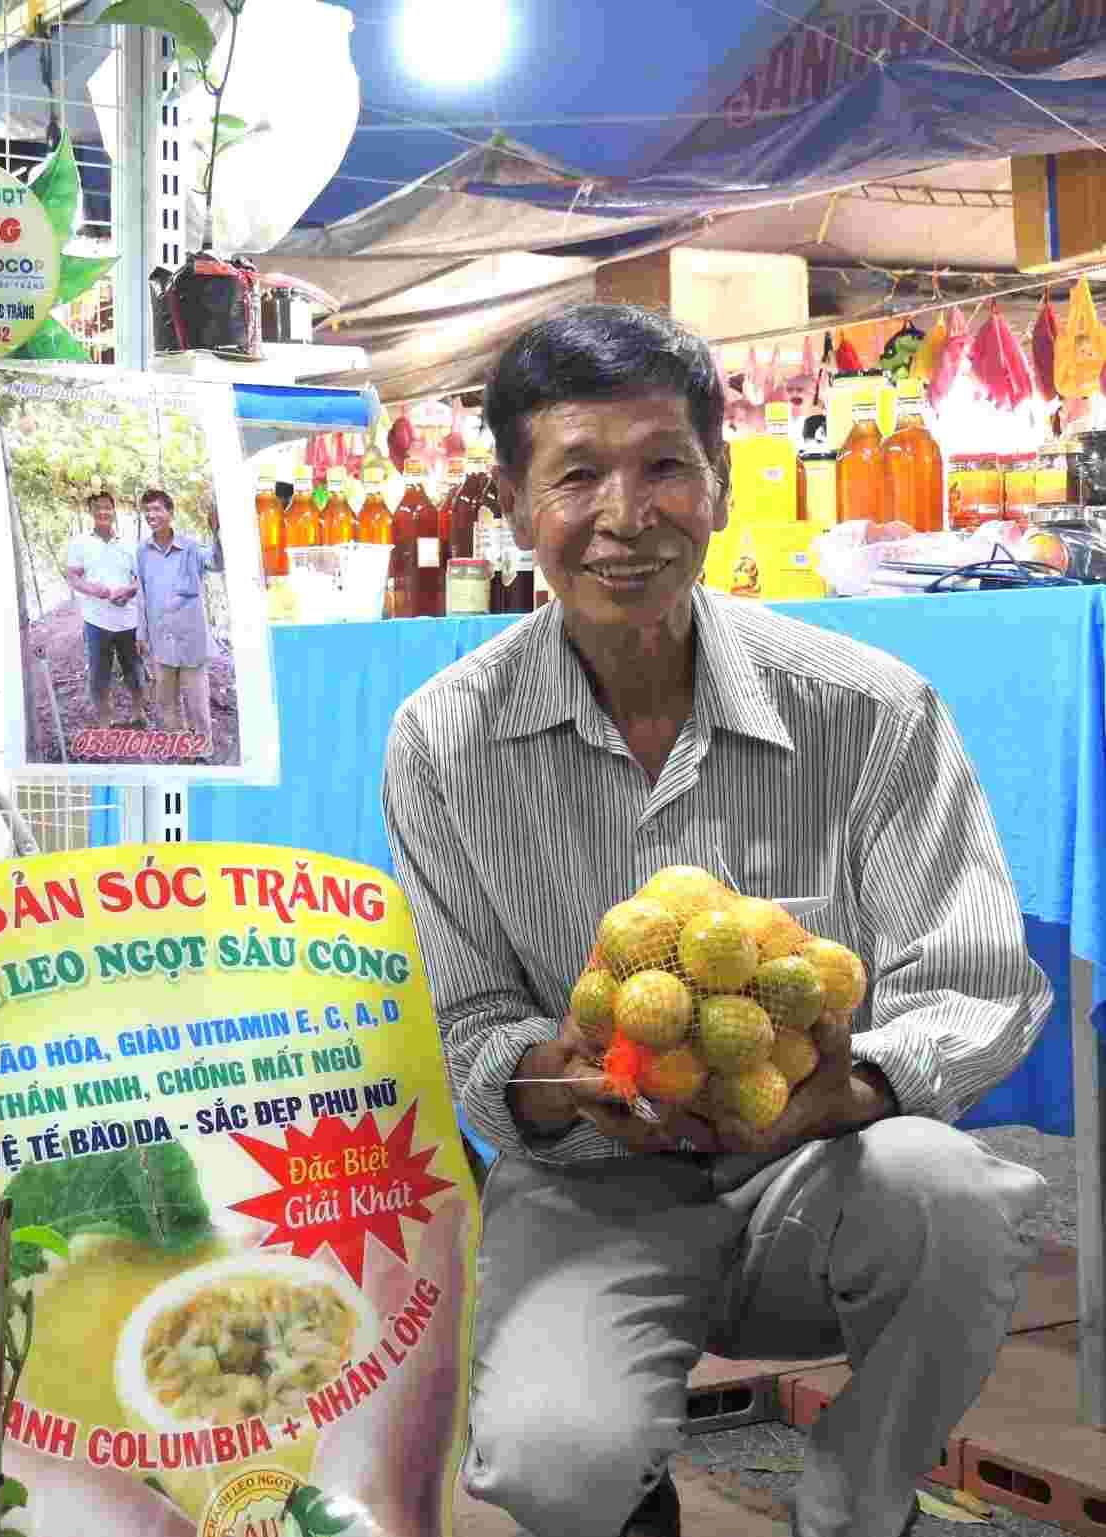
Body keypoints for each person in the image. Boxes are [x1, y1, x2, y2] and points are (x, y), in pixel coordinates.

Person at [380, 303, 1050, 1537]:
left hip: (819, 1166)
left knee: (952, 1190)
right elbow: (465, 1019)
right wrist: (557, 1073)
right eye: (577, 473)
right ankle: (625, 1490)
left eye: (662, 466)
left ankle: (858, 1505)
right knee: (548, 1461)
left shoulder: (869, 709)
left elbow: (973, 981)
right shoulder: (444, 739)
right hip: (588, 1188)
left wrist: (846, 1093)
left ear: (721, 484)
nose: (626, 515)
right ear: (512, 504)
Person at [134, 488, 221, 752]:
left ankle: (203, 748)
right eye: (147, 510)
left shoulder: (191, 548)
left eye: (157, 509)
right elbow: (142, 595)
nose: (152, 515)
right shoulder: (142, 552)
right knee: (166, 702)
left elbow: (217, 563)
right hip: (161, 641)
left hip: (191, 639)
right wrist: (141, 634)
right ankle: (180, 746)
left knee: (197, 702)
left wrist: (218, 533)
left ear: (170, 513)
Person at [63, 490, 147, 726]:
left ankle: (138, 713)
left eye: (107, 506)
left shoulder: (130, 544)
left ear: (114, 509)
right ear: (90, 511)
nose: (103, 511)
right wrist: (93, 589)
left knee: (135, 670)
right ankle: (105, 720)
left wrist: (129, 590)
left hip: (129, 620)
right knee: (99, 675)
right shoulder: (79, 543)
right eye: (97, 507)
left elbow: (142, 578)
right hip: (96, 621)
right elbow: (73, 577)